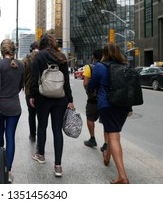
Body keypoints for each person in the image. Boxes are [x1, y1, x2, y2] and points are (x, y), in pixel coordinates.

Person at [29, 33, 74, 177]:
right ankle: (58, 166)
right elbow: (66, 81)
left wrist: (32, 95)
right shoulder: (61, 57)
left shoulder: (39, 56)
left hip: (43, 97)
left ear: (41, 43)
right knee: (57, 130)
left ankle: (40, 155)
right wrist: (70, 99)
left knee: (42, 126)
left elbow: (35, 78)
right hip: (60, 98)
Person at [88, 44, 131, 184]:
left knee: (113, 136)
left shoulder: (100, 66)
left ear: (104, 54)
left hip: (107, 105)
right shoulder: (125, 66)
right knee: (114, 133)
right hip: (123, 106)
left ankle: (122, 176)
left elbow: (91, 86)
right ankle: (107, 157)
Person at [0, 39, 24, 183]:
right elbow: (20, 86)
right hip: (14, 106)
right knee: (11, 137)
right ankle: (8, 171)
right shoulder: (21, 64)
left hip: (0, 107)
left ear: (2, 51)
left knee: (0, 136)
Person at [83, 48, 109, 151]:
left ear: (93, 57)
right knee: (106, 122)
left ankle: (92, 139)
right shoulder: (108, 66)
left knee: (90, 118)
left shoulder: (89, 67)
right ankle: (106, 143)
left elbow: (85, 83)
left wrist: (90, 93)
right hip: (106, 99)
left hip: (93, 100)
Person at [22, 41, 39, 142]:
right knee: (41, 115)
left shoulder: (25, 60)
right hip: (43, 91)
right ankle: (41, 135)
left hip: (29, 91)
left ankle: (33, 135)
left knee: (31, 114)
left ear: (30, 49)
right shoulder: (44, 57)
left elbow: (22, 76)